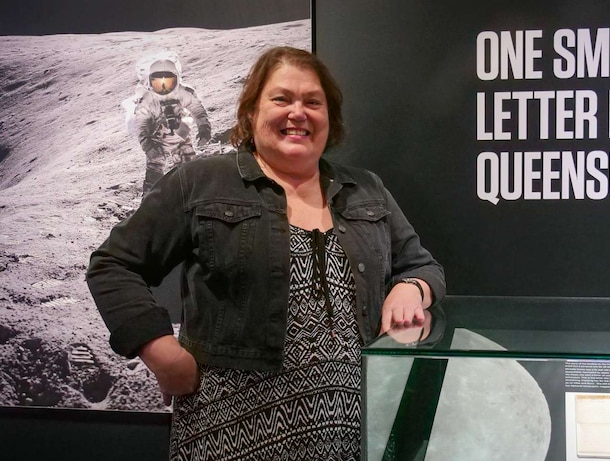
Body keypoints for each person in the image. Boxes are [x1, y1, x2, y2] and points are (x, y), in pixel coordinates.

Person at [87, 46, 445, 460]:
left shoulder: (366, 189)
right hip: (228, 437)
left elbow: (422, 265)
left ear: (330, 117)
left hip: (355, 437)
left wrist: (412, 289)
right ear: (252, 112)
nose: (298, 113)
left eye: (313, 102)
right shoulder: (201, 182)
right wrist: (156, 346)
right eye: (281, 99)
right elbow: (113, 265)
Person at [134, 56, 212, 194]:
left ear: (176, 79)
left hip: (179, 133)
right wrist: (148, 146)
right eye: (158, 84)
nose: (163, 88)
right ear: (151, 82)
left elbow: (198, 112)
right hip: (156, 137)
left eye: (168, 83)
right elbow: (142, 126)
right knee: (155, 163)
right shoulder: (148, 100)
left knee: (187, 162)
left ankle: (192, 195)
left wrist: (204, 130)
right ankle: (150, 200)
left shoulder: (184, 92)